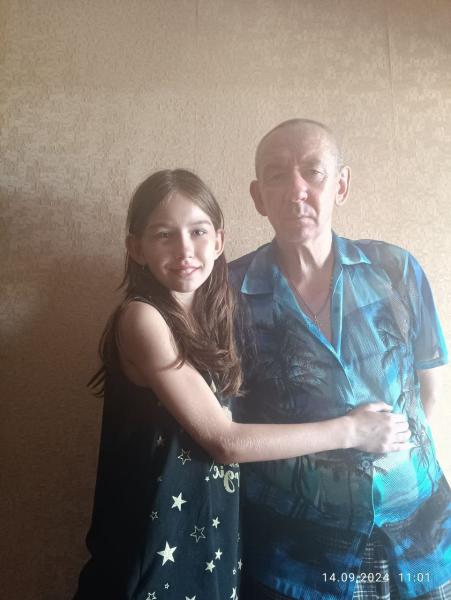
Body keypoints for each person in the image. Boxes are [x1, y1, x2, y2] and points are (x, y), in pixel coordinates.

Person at [73, 169, 411, 600]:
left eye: (198, 232)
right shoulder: (143, 318)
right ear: (135, 248)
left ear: (219, 240)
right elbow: (225, 441)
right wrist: (352, 431)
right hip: (150, 549)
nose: (184, 249)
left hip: (206, 542)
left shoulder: (214, 318)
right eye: (163, 235)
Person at [229, 119, 451, 600]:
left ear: (341, 185)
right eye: (277, 175)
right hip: (297, 557)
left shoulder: (396, 269)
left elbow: (432, 391)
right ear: (258, 196)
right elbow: (227, 429)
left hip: (421, 540)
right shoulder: (229, 294)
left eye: (314, 172)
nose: (297, 191)